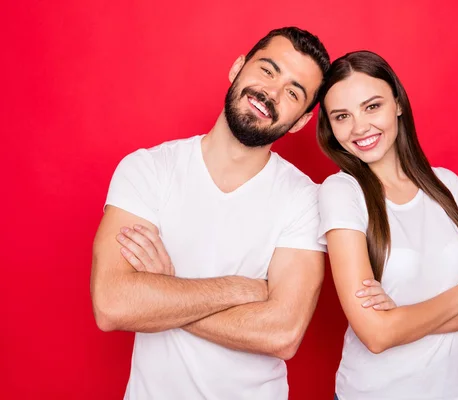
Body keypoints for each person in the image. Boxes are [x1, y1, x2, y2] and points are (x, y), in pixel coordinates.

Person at [90, 27, 330, 400]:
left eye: (294, 92)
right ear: (237, 68)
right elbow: (112, 304)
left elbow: (282, 334)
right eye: (267, 70)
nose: (272, 92)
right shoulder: (148, 169)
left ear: (300, 121)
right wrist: (241, 290)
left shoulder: (304, 200)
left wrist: (164, 290)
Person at [316, 51, 458, 400]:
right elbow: (376, 336)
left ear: (398, 103)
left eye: (372, 106)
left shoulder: (446, 184)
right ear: (330, 127)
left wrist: (400, 320)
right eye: (342, 116)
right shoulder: (341, 192)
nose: (359, 127)